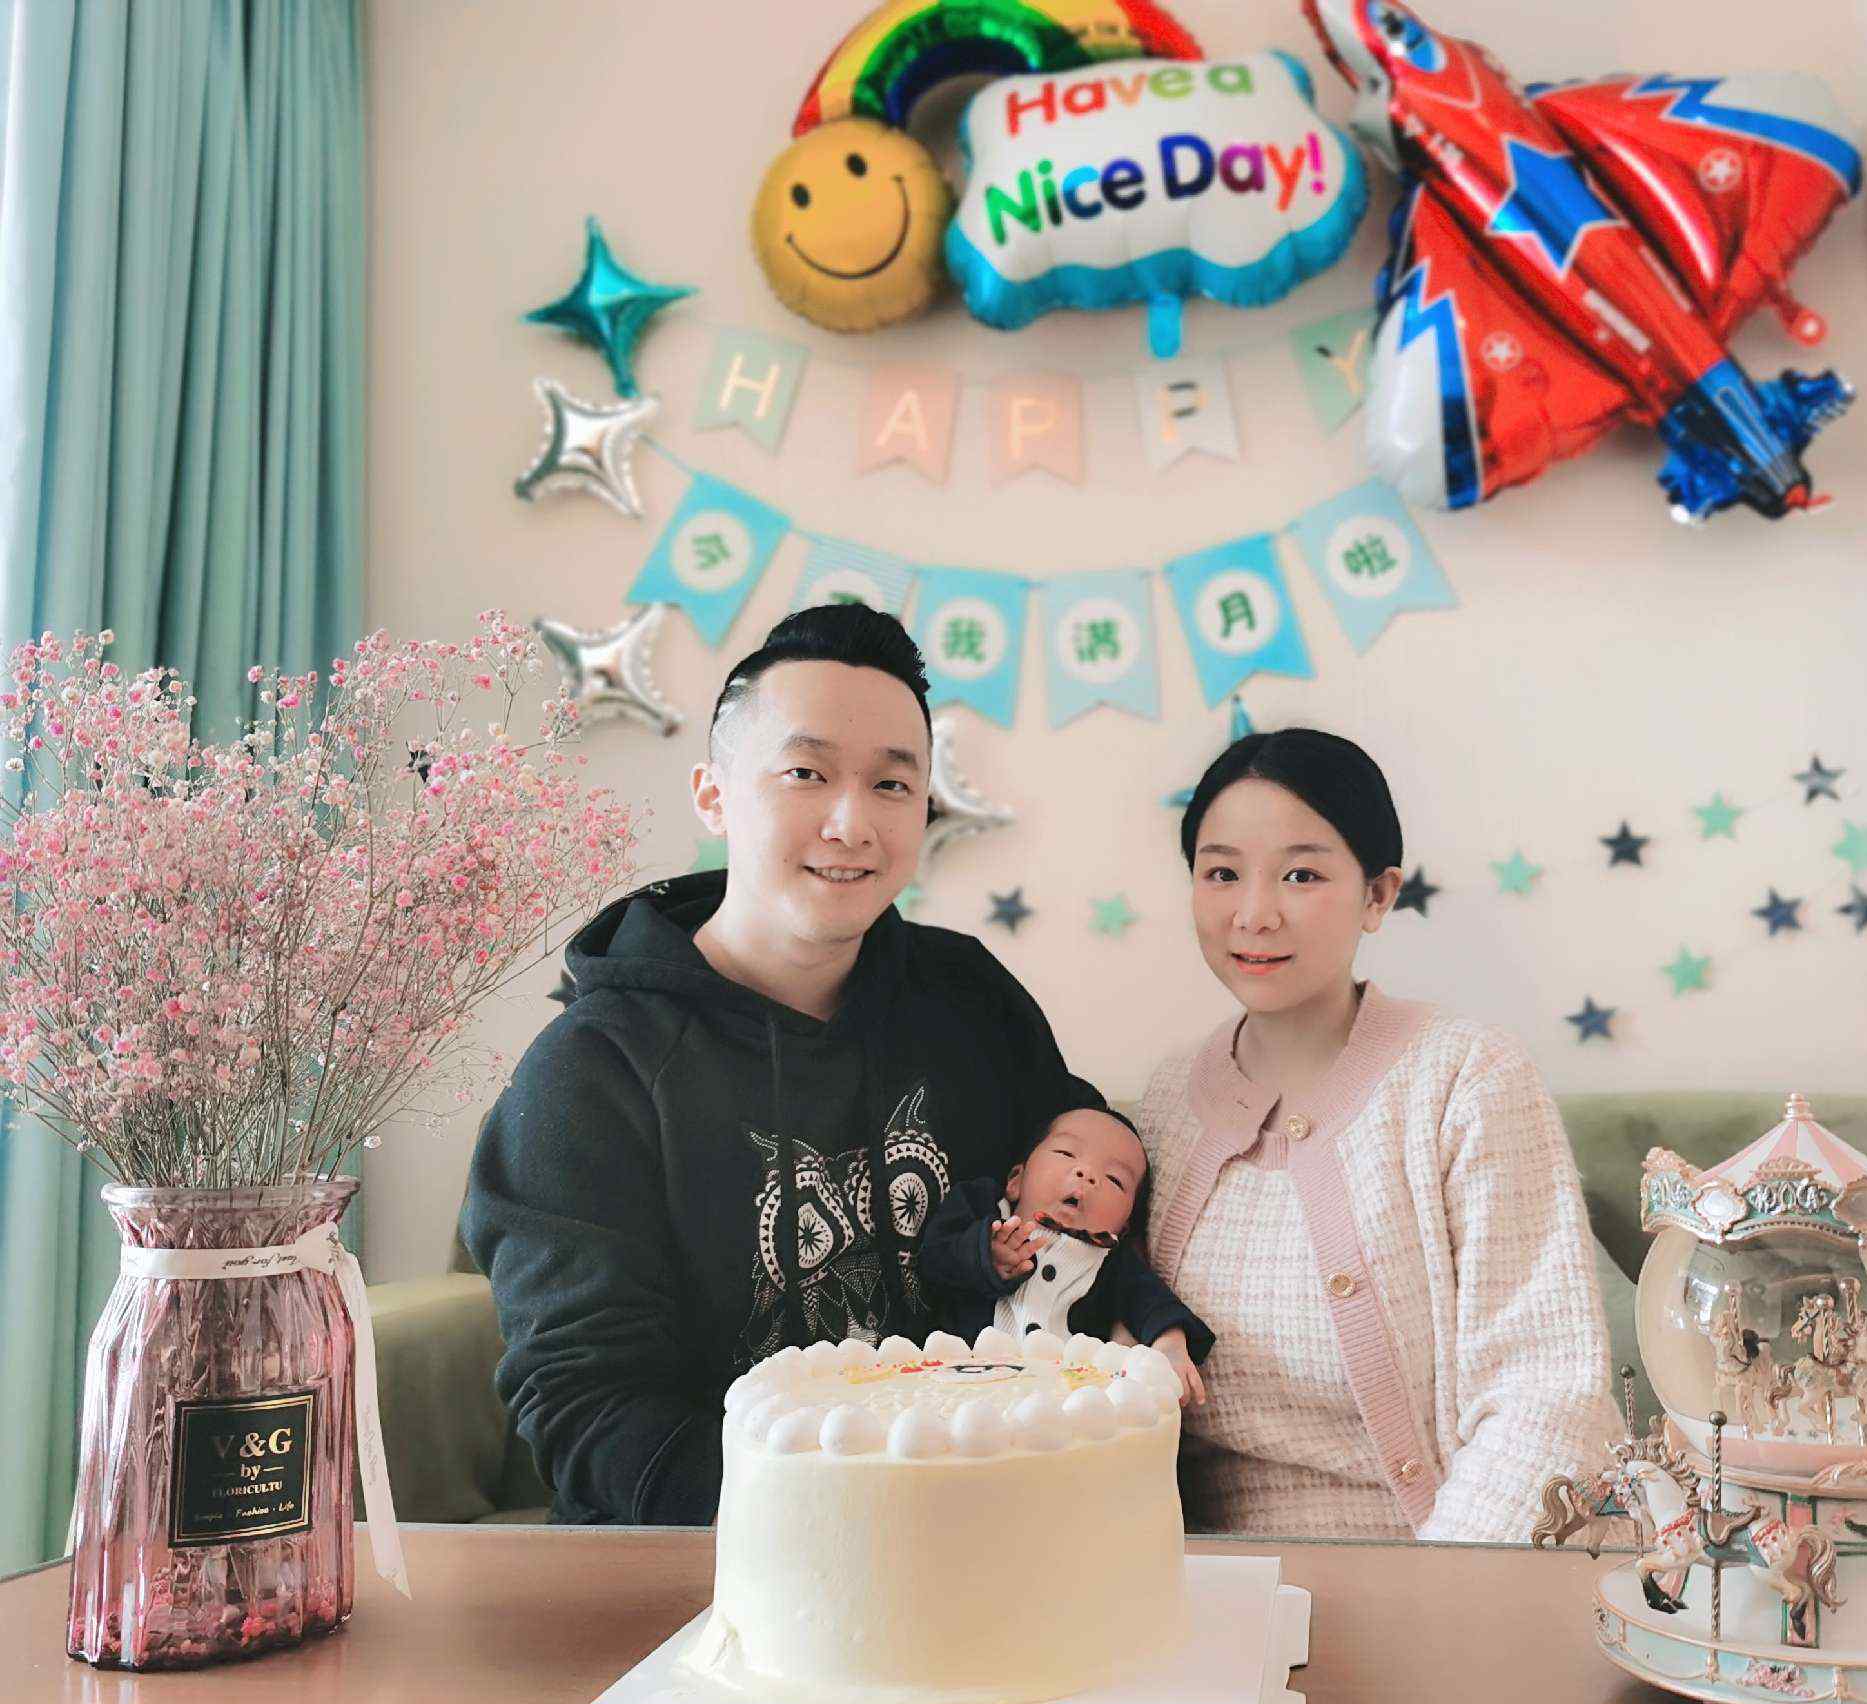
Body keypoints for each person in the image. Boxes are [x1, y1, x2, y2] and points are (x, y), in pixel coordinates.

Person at [461, 605, 1100, 1525]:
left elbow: (1086, 1185)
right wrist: (847, 1522)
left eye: (892, 784)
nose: (852, 823)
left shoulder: (970, 1000)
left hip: (990, 1531)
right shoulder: (591, 1071)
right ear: (713, 794)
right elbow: (588, 1408)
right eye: (806, 773)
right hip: (714, 1567)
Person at [1136, 728, 1618, 1542]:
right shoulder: (1165, 1101)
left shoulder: (1467, 1076)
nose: (1254, 914)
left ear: (1378, 895)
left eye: (1301, 874)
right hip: (1201, 1583)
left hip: (1441, 1566)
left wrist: (1437, 1594)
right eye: (1222, 873)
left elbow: (1545, 1395)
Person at [918, 1105, 1213, 1404]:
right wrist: (985, 1255)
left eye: (1115, 1179)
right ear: (1016, 1179)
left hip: (1067, 1408)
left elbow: (1153, 1304)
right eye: (1066, 1153)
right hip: (965, 1394)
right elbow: (934, 1259)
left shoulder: (1111, 1262)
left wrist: (1170, 1345)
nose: (1087, 1174)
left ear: (1123, 1226)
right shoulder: (982, 1210)